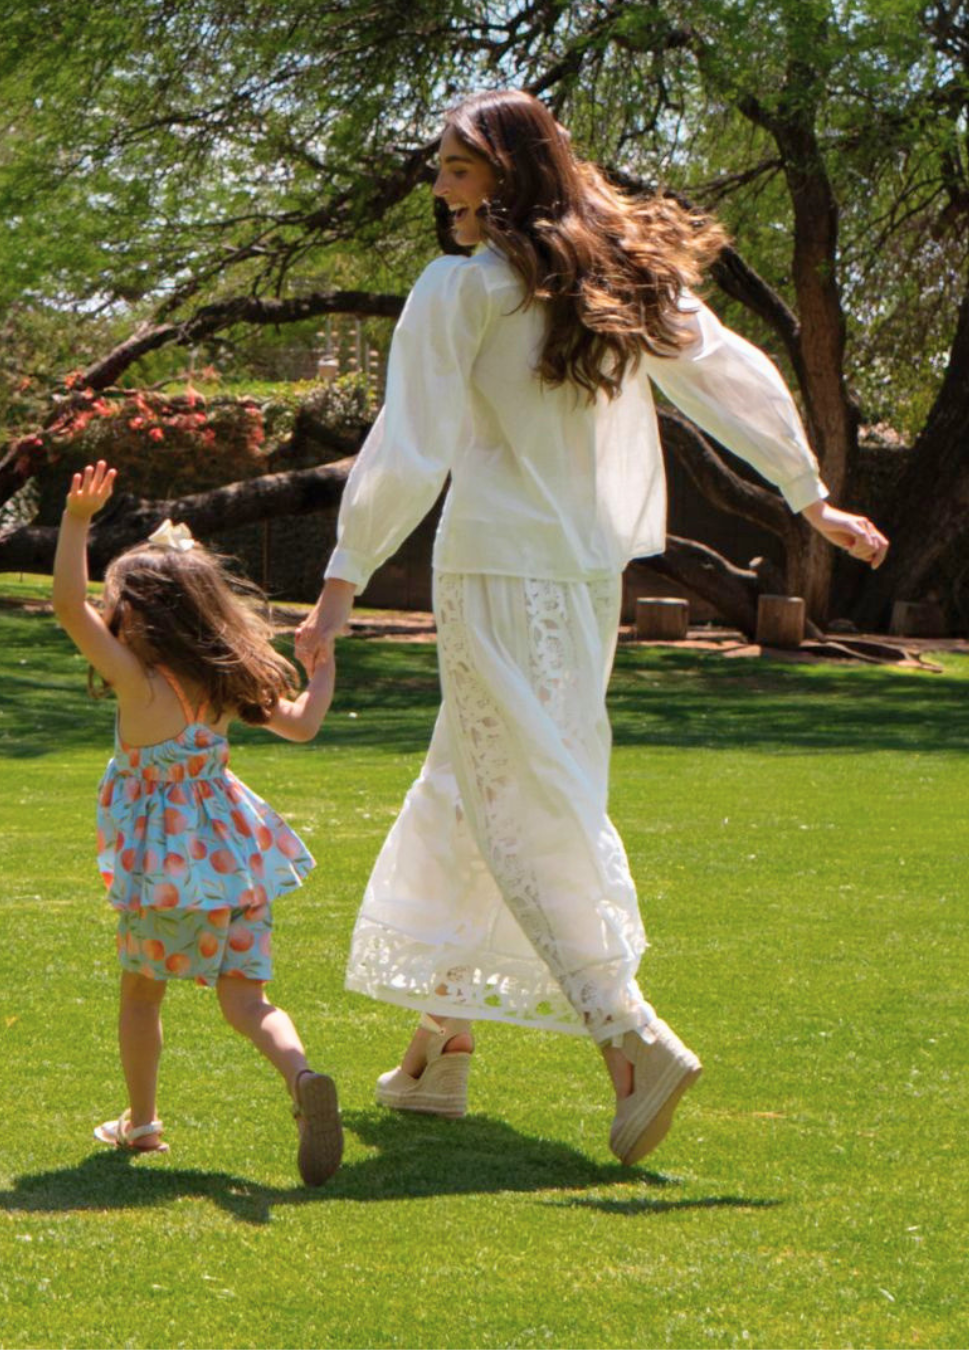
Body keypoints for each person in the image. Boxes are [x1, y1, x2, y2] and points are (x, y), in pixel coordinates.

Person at [296, 89, 888, 1168]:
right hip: (579, 581)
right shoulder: (609, 282)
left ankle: (628, 1038)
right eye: (443, 167)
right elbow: (730, 372)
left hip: (492, 568)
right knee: (474, 781)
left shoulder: (462, 290)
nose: (440, 188)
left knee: (517, 792)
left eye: (460, 170)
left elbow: (409, 445)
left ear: (512, 177)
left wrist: (341, 581)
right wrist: (807, 492)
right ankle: (442, 1046)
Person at [52, 462, 343, 1186]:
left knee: (141, 992)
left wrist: (77, 521)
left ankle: (142, 1124)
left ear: (141, 614)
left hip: (171, 877)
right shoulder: (225, 680)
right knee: (247, 999)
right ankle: (301, 1076)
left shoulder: (139, 681)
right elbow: (304, 725)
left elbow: (65, 606)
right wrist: (322, 666)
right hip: (242, 864)